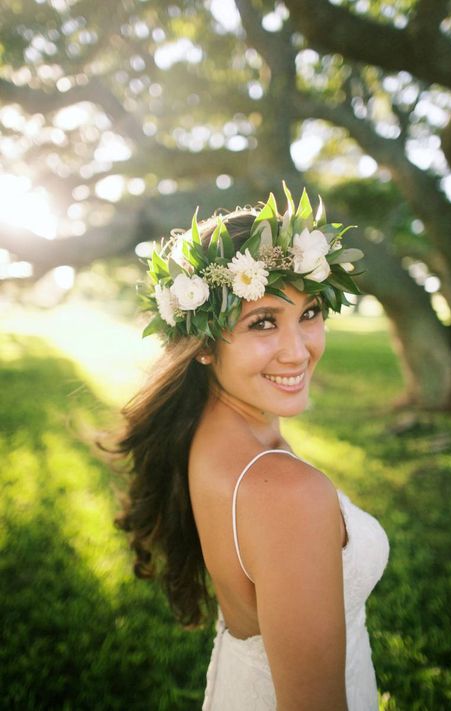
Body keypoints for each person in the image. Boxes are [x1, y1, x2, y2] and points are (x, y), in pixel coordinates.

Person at [115, 184, 390, 710]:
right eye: (263, 322)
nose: (298, 350)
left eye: (309, 313)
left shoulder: (212, 430)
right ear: (201, 343)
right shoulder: (285, 492)